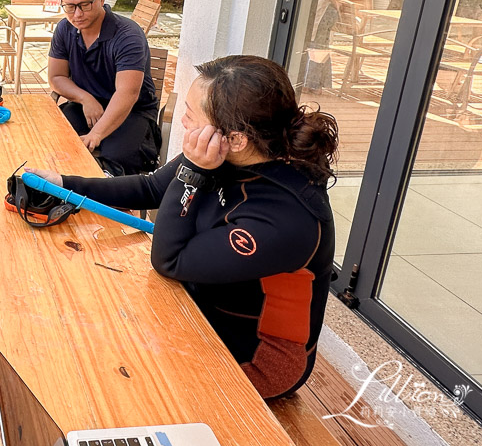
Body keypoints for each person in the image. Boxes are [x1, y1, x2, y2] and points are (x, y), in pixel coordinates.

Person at [29, 55, 337, 399]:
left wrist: (193, 171)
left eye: (191, 113)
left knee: (107, 378)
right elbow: (151, 187)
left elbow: (169, 260)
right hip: (198, 305)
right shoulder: (226, 151)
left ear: (236, 139)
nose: (183, 120)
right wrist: (62, 184)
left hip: (254, 356)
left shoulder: (284, 217)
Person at [49, 0, 159, 176]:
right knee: (53, 141)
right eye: (70, 6)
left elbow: (128, 94)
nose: (77, 14)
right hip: (87, 107)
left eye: (85, 5)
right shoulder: (65, 29)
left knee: (116, 162)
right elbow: (56, 77)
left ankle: (105, 206)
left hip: (132, 112)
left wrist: (96, 134)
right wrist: (85, 98)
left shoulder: (127, 35)